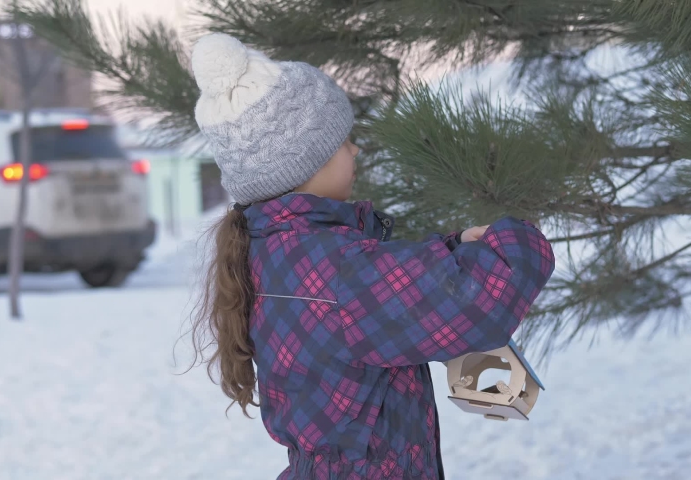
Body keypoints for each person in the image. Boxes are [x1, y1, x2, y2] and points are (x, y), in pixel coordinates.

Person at [190, 33, 556, 480]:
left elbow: (386, 285)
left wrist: (454, 246)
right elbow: (476, 298)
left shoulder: (269, 251)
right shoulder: (344, 271)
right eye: (344, 141)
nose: (356, 149)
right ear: (308, 163)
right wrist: (518, 238)